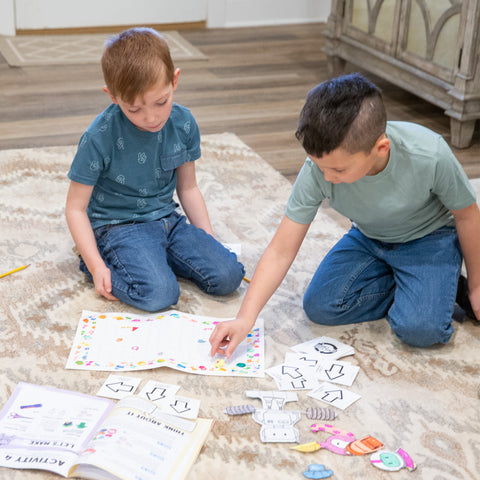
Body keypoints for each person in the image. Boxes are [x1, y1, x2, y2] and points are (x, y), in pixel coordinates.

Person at [210, 73, 480, 357]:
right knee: (321, 306)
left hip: (429, 238)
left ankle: (447, 284)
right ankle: (414, 284)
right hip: (368, 237)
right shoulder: (319, 169)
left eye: (338, 170)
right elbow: (281, 250)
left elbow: (467, 216)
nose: (327, 177)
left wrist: (476, 283)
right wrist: (244, 318)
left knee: (420, 330)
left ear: (380, 148)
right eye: (319, 166)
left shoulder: (430, 154)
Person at [65, 27, 244, 312]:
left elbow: (188, 188)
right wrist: (95, 265)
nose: (151, 117)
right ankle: (103, 259)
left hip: (166, 220)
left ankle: (156, 258)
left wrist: (207, 238)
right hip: (118, 226)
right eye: (134, 109)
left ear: (175, 81)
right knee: (159, 294)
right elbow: (75, 208)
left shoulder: (184, 123)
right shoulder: (99, 135)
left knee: (229, 276)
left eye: (161, 102)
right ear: (112, 96)